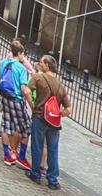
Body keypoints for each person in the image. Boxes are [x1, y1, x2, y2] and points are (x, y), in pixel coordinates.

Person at [25, 53, 72, 189]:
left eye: (41, 62)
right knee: (53, 149)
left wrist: (33, 106)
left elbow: (27, 91)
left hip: (40, 116)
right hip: (54, 122)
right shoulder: (61, 86)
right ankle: (52, 180)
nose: (39, 64)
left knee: (37, 145)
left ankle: (35, 173)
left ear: (47, 65)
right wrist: (58, 114)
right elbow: (69, 109)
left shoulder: (38, 77)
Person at [0, 40, 33, 170]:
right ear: (19, 53)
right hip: (16, 99)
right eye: (23, 54)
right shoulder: (22, 68)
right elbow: (23, 88)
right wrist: (31, 104)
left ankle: (7, 155)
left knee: (6, 125)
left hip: (4, 96)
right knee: (26, 128)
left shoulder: (3, 62)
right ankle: (21, 157)